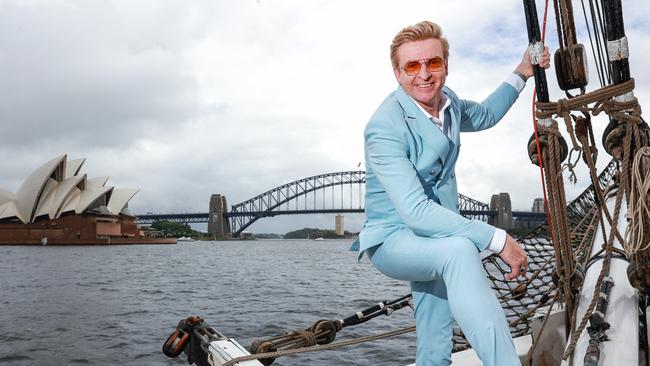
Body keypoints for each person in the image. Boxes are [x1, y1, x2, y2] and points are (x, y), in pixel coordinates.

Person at [355, 21, 551, 365]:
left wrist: (522, 72)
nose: (424, 74)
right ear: (398, 73)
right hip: (392, 240)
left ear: (445, 64)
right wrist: (498, 238)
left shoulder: (450, 104)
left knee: (434, 337)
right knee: (459, 251)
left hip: (434, 236)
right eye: (412, 66)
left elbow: (487, 114)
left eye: (433, 63)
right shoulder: (384, 127)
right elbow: (415, 212)